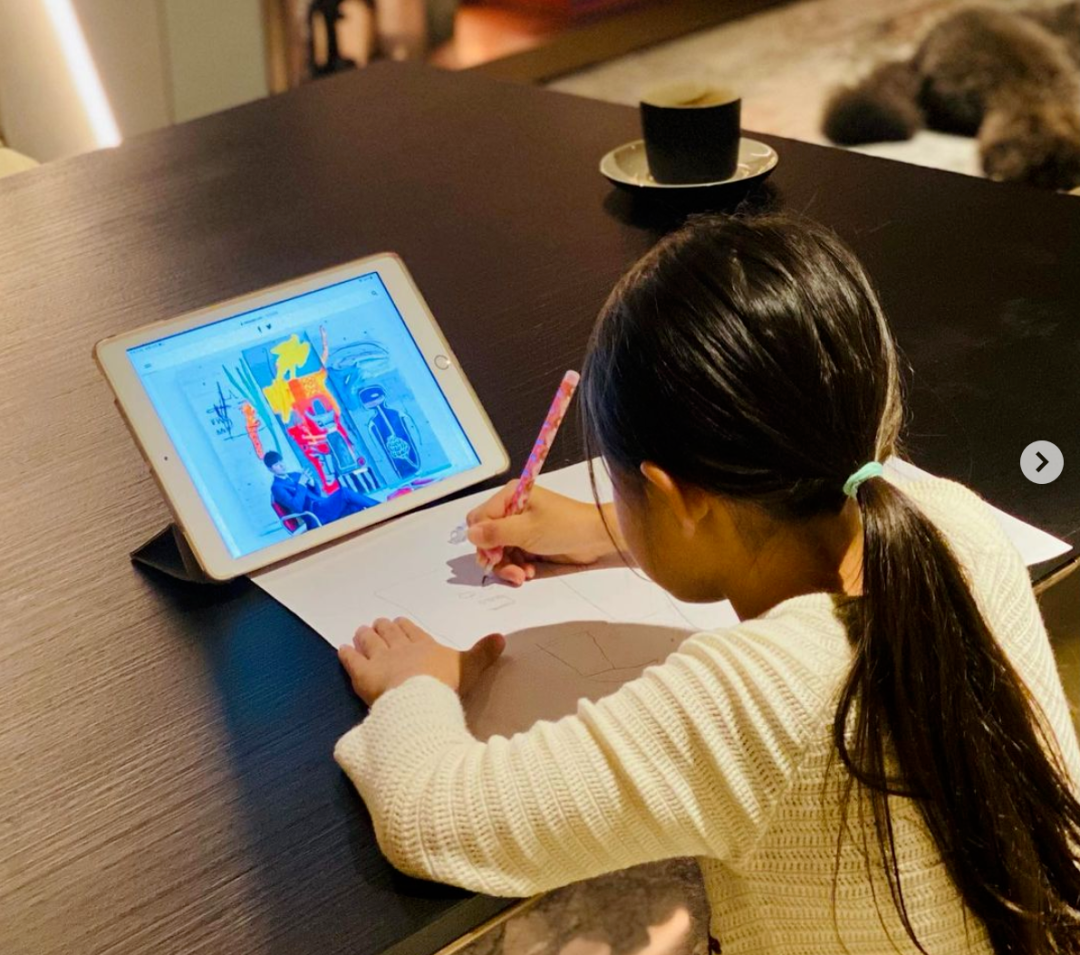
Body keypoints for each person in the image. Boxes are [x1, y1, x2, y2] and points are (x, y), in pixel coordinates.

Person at [333, 215, 1080, 955]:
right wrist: (607, 526)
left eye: (622, 488)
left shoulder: (750, 700)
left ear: (681, 498)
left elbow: (431, 819)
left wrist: (411, 686)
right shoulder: (955, 523)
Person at [264, 450, 376, 526]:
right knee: (344, 492)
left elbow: (317, 494)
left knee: (354, 506)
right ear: (270, 469)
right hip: (314, 514)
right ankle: (379, 507)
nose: (282, 465)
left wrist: (312, 483)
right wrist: (301, 484)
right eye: (276, 465)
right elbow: (297, 507)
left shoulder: (295, 475)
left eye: (281, 461)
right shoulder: (277, 487)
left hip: (322, 505)